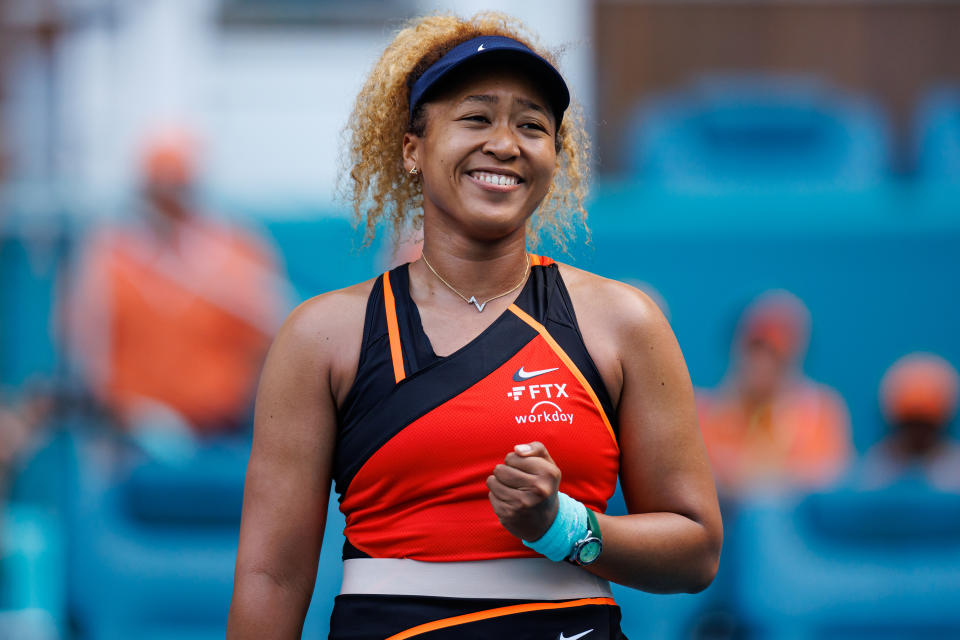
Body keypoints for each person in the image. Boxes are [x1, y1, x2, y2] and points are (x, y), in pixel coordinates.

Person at [228, 13, 722, 639]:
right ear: (413, 148)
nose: (506, 144)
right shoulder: (322, 335)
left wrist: (564, 529)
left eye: (532, 126)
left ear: (554, 158)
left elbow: (696, 551)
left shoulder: (624, 323)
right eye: (476, 117)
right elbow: (270, 577)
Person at [64, 128, 288, 444]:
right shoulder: (109, 257)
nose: (168, 203)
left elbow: (270, 341)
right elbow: (84, 349)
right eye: (159, 191)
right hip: (131, 436)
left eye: (177, 190)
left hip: (223, 432)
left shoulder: (236, 253)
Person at [697, 290, 852, 497]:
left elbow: (827, 482)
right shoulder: (701, 412)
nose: (762, 366)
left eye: (775, 355)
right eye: (754, 351)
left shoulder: (820, 411)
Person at [855, 353, 960, 491]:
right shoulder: (876, 471)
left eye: (925, 425)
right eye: (910, 424)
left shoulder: (954, 471)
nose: (917, 435)